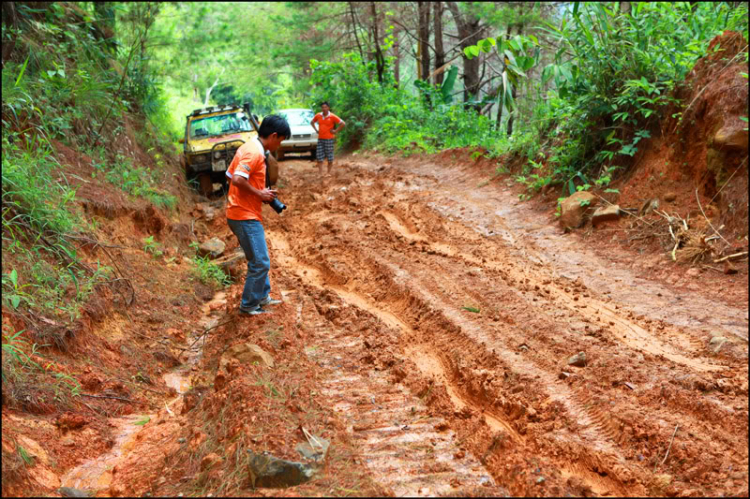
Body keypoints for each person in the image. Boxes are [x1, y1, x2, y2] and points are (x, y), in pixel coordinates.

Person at [225, 114, 291, 315]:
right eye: (280, 140)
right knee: (260, 262)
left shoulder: (248, 148)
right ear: (273, 135)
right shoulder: (254, 152)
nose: (279, 145)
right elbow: (236, 179)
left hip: (242, 212)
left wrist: (258, 192)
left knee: (257, 259)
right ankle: (249, 305)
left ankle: (262, 296)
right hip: (244, 216)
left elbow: (229, 176)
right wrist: (258, 192)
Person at [311, 101, 346, 177]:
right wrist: (316, 130)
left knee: (330, 157)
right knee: (319, 156)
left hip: (329, 139)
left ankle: (328, 173)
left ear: (328, 108)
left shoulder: (332, 116)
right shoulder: (318, 115)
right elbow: (312, 122)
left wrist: (335, 131)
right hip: (320, 139)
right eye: (322, 107)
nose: (324, 108)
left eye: (325, 107)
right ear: (321, 108)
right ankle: (320, 173)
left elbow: (343, 123)